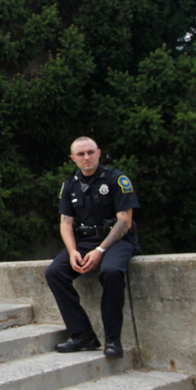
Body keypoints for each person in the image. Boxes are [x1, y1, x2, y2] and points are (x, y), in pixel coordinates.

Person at [45, 137, 140, 359]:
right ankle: (83, 335)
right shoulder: (70, 185)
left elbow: (124, 221)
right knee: (54, 272)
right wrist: (72, 252)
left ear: (99, 153)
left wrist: (100, 251)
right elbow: (66, 223)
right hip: (86, 241)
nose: (86, 157)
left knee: (111, 271)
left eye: (90, 152)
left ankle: (113, 339)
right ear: (73, 158)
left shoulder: (117, 179)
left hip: (118, 240)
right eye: (81, 154)